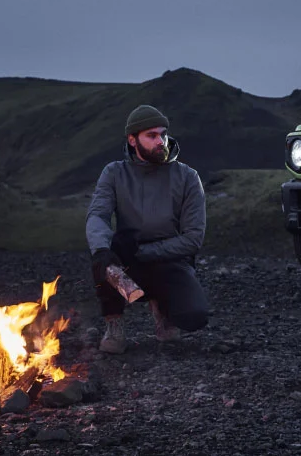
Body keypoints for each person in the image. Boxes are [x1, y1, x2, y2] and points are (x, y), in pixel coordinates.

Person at [85, 104, 210, 354]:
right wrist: (101, 249)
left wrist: (144, 251)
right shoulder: (114, 173)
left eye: (163, 134)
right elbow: (97, 215)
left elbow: (194, 238)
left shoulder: (187, 176)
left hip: (171, 259)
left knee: (194, 317)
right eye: (151, 136)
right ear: (133, 140)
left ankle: (163, 310)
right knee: (104, 257)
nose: (160, 141)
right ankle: (114, 323)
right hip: (127, 259)